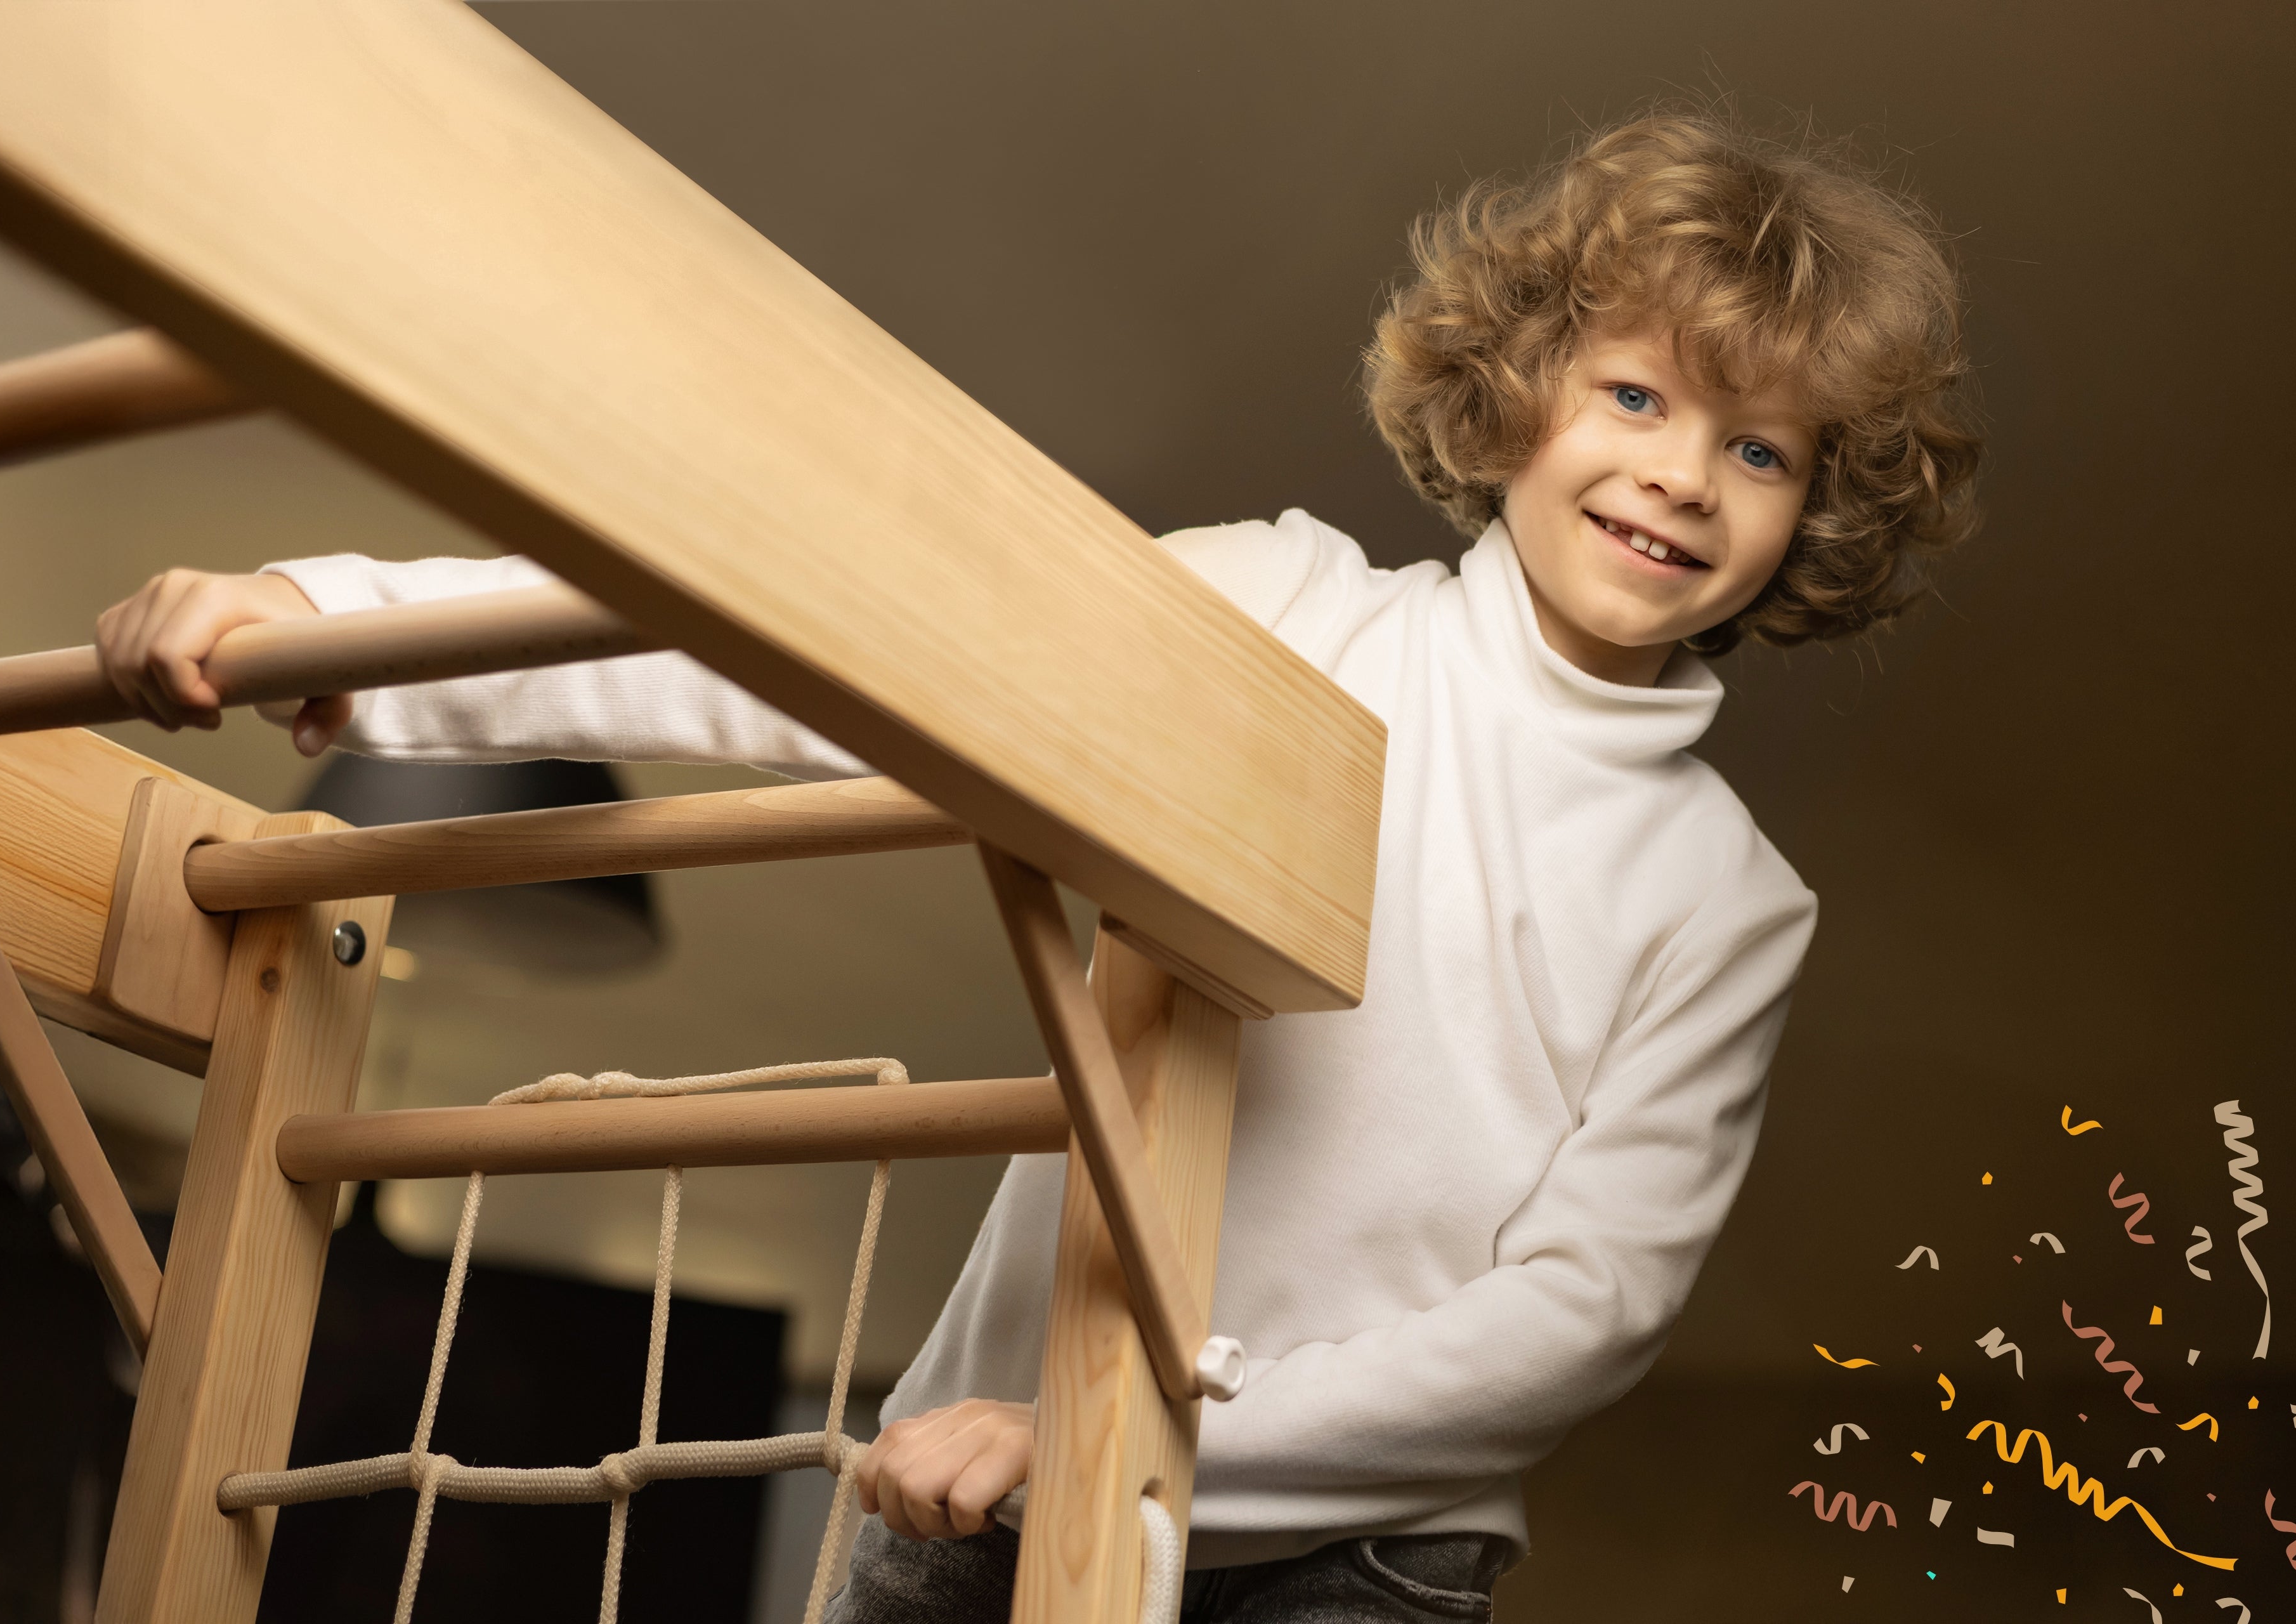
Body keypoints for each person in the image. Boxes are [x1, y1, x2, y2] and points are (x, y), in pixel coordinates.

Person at [97, 108, 1979, 1622]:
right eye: (1638, 398)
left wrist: (1124, 1438)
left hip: (1355, 1564)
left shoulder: (1730, 901)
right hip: (969, 1492)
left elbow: (1583, 1311)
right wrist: (354, 624)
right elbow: (853, 640)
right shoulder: (1291, 617)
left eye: (1761, 450)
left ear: (1816, 516)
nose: (1682, 476)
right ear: (1519, 398)